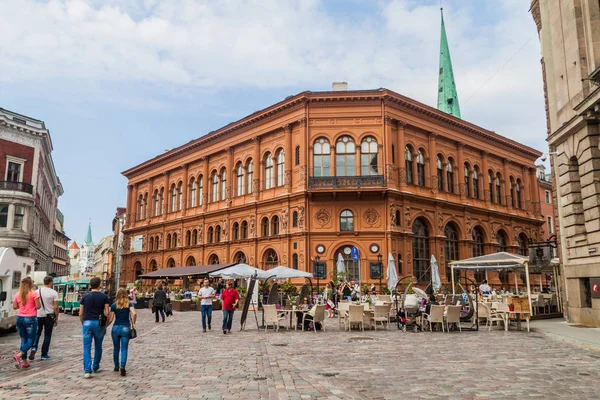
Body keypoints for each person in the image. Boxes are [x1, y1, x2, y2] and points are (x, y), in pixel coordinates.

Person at [79, 277, 110, 378]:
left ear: (90, 285)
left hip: (87, 322)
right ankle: (95, 366)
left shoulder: (84, 297)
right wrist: (106, 324)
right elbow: (107, 312)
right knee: (98, 345)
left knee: (86, 347)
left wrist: (83, 322)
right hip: (98, 323)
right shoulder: (104, 297)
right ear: (99, 285)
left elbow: (80, 313)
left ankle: (87, 370)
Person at [12, 276, 41, 369]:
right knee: (31, 340)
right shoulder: (33, 293)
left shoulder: (18, 294)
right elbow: (38, 306)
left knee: (23, 339)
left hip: (20, 318)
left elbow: (14, 307)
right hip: (30, 318)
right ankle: (19, 355)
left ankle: (25, 362)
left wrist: (22, 305)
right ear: (30, 284)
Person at [107, 288, 136, 377]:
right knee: (124, 348)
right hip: (125, 327)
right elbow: (134, 313)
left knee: (116, 348)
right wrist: (133, 324)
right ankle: (122, 366)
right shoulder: (129, 304)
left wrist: (105, 326)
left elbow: (111, 319)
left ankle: (116, 366)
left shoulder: (114, 305)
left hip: (116, 328)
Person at [30, 276, 59, 361]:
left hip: (38, 315)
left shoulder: (36, 291)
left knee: (37, 334)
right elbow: (56, 307)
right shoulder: (53, 292)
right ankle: (44, 354)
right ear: (51, 282)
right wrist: (56, 318)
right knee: (47, 335)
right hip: (49, 316)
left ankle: (34, 348)